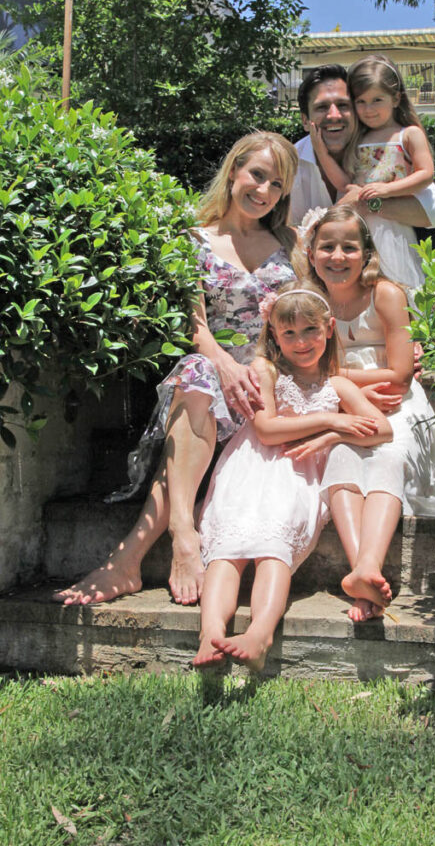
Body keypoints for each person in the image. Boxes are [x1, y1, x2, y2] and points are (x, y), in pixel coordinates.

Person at [53, 132, 301, 608]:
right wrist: (227, 364)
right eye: (257, 175)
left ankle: (127, 560)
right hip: (212, 372)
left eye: (277, 184)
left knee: (198, 392)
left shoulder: (291, 244)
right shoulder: (192, 240)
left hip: (269, 382)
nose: (265, 190)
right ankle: (185, 536)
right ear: (233, 171)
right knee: (198, 373)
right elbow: (194, 327)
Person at [302, 205, 435, 621]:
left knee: (386, 456)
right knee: (341, 457)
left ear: (366, 253)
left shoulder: (386, 295)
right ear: (311, 252)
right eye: (327, 247)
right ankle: (365, 573)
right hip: (340, 406)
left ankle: (364, 572)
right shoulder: (307, 300)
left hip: (397, 406)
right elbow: (298, 368)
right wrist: (348, 388)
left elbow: (399, 376)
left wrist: (337, 378)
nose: (337, 257)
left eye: (349, 248)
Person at [192, 282, 392, 671]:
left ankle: (260, 634)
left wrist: (335, 434)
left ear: (329, 329)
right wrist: (331, 418)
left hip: (295, 480)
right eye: (289, 333)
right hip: (249, 470)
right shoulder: (264, 369)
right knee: (226, 553)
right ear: (274, 336)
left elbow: (383, 429)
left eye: (310, 331)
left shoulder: (338, 385)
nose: (301, 342)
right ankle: (210, 632)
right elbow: (266, 429)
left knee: (274, 549)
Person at [307, 54, 435, 288]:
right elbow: (345, 185)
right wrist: (321, 152)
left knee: (398, 284)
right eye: (361, 101)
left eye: (377, 100)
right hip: (360, 228)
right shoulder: (358, 138)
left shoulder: (408, 134)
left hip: (393, 226)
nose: (368, 109)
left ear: (396, 98)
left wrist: (387, 189)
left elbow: (426, 174)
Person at [289, 64, 435, 243]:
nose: (334, 115)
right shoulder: (288, 165)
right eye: (322, 107)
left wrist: (369, 205)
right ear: (305, 120)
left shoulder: (378, 150)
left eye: (343, 105)